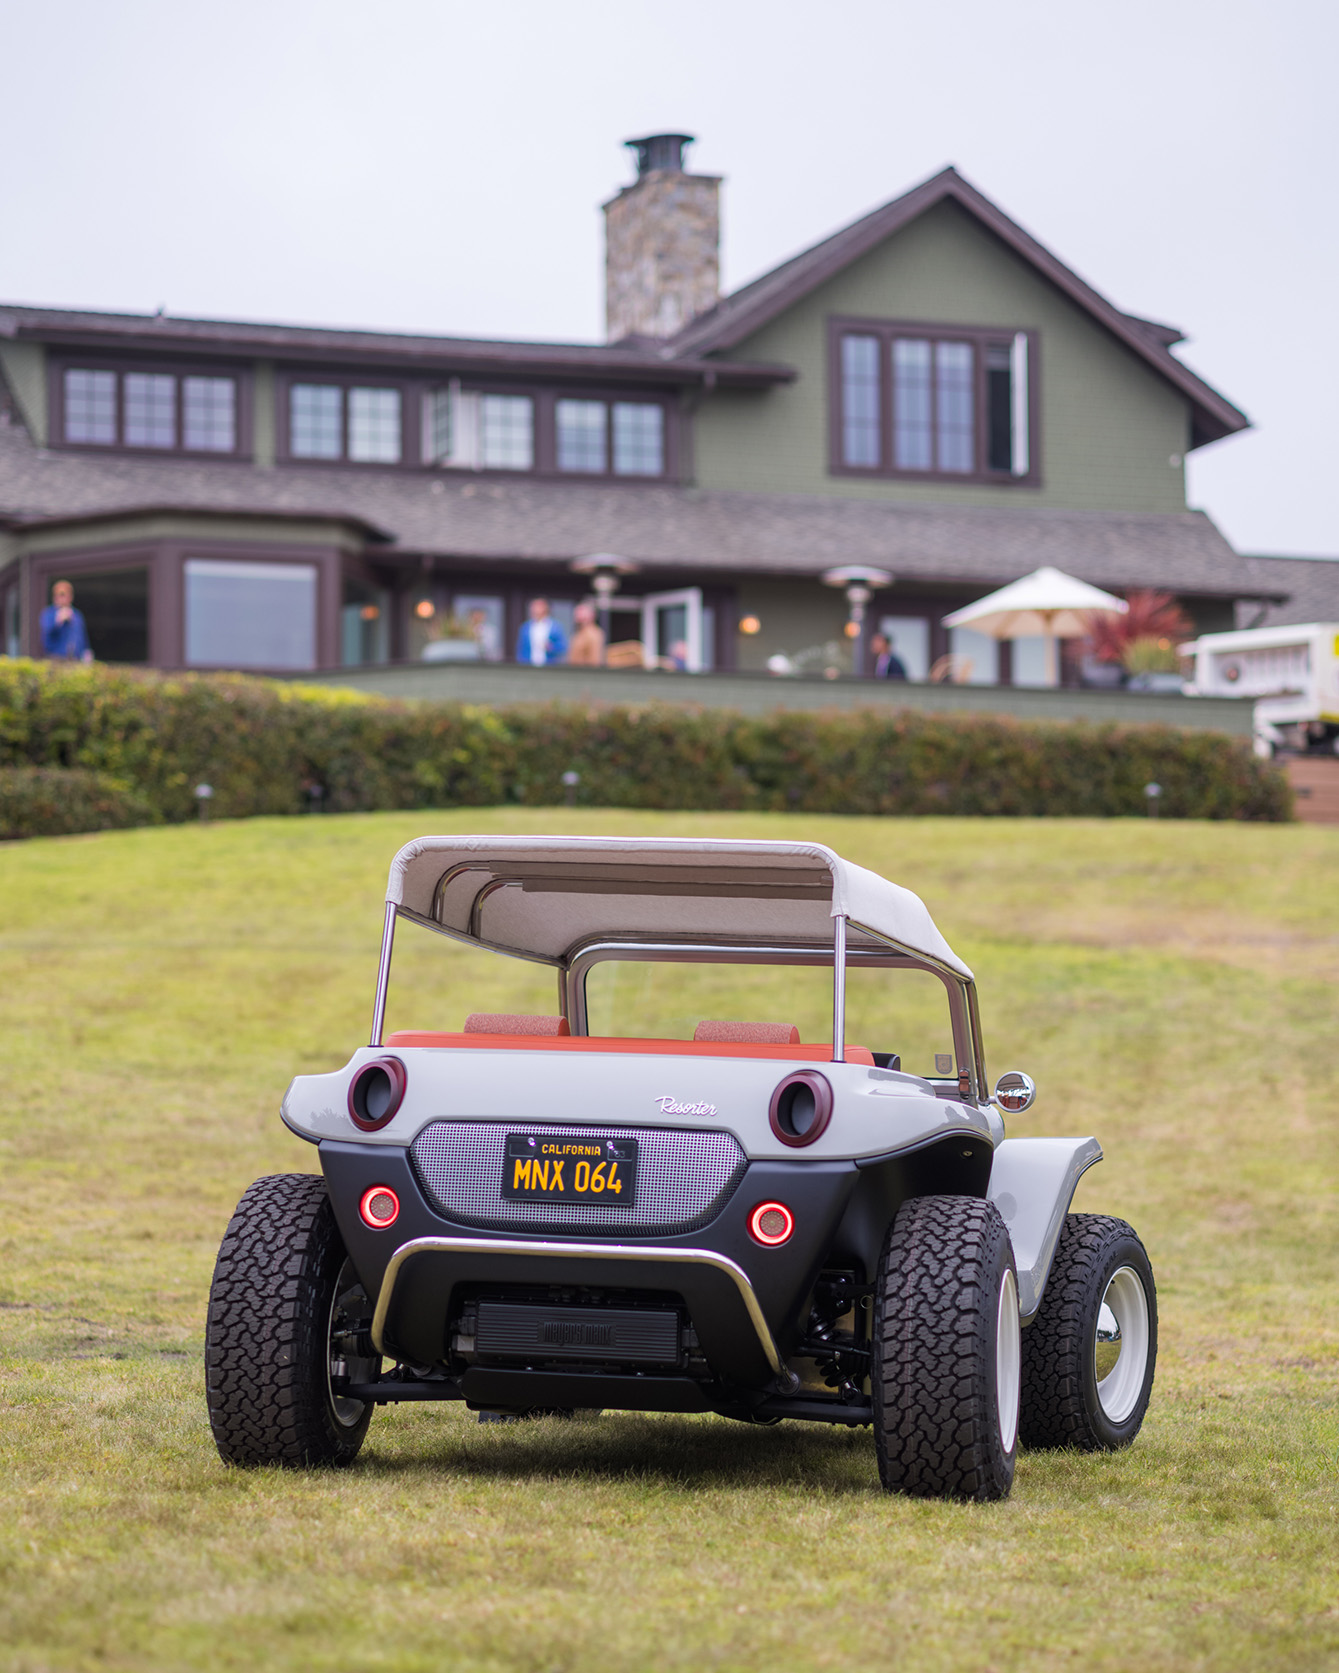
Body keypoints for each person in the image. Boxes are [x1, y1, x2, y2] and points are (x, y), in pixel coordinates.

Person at [40, 580, 93, 662]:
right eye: (60, 595)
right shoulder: (49, 613)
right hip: (56, 659)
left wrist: (87, 654)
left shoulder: (77, 614)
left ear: (71, 597)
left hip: (76, 659)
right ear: (55, 597)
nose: (63, 598)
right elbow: (46, 637)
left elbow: (83, 638)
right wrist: (58, 621)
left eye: (65, 595)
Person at [515, 597, 568, 666]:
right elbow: (520, 650)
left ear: (545, 608)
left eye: (538, 607)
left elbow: (563, 647)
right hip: (528, 666)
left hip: (550, 667)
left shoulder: (555, 627)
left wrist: (550, 647)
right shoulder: (525, 628)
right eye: (533, 607)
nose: (534, 609)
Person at [567, 601, 606, 667]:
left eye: (581, 611)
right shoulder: (579, 632)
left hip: (585, 674)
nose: (577, 614)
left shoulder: (594, 633)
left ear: (592, 615)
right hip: (574, 672)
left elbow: (595, 661)